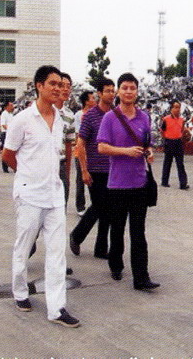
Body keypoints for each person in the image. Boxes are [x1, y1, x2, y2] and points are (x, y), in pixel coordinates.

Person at [2, 65, 80, 328]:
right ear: (39, 86)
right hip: (29, 196)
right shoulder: (22, 120)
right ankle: (20, 292)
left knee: (57, 254)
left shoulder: (60, 119)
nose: (58, 88)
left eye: (60, 84)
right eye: (53, 84)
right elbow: (8, 155)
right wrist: (27, 176)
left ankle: (57, 308)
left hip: (54, 196)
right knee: (23, 248)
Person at [97, 72, 160, 291]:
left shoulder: (144, 117)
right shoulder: (110, 118)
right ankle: (116, 265)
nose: (128, 91)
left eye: (132, 88)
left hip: (139, 183)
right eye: (124, 88)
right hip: (117, 184)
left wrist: (149, 152)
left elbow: (147, 143)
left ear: (137, 91)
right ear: (118, 91)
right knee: (117, 229)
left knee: (138, 232)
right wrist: (126, 151)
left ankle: (141, 277)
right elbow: (101, 147)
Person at [69, 79, 115, 259]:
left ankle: (101, 248)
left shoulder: (116, 114)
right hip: (95, 169)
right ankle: (77, 236)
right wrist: (84, 170)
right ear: (99, 94)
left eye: (113, 90)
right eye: (107, 91)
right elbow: (80, 144)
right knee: (99, 206)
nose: (111, 94)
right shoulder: (90, 116)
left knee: (108, 210)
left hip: (113, 169)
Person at [73, 91, 96, 215]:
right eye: (92, 98)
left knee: (95, 180)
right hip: (81, 151)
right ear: (86, 101)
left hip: (93, 152)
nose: (95, 100)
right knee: (80, 179)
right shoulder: (78, 115)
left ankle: (96, 205)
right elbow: (78, 134)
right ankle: (80, 206)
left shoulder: (96, 114)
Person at [160, 100, 190, 190]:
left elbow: (182, 130)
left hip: (178, 143)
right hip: (169, 142)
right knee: (167, 163)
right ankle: (164, 182)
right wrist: (166, 139)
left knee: (180, 164)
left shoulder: (182, 120)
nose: (177, 109)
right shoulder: (166, 119)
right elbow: (162, 131)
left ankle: (183, 184)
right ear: (171, 109)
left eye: (179, 107)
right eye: (175, 107)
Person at [56, 72, 76, 204]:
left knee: (61, 206)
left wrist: (67, 174)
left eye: (68, 86)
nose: (66, 89)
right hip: (42, 166)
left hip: (61, 166)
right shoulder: (44, 111)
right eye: (62, 85)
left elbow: (69, 146)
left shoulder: (69, 115)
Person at [0, 101, 14, 173]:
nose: (12, 107)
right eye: (11, 105)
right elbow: (3, 125)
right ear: (7, 106)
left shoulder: (11, 114)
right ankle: (5, 167)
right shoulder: (4, 114)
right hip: (5, 133)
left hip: (10, 133)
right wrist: (10, 130)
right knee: (5, 150)